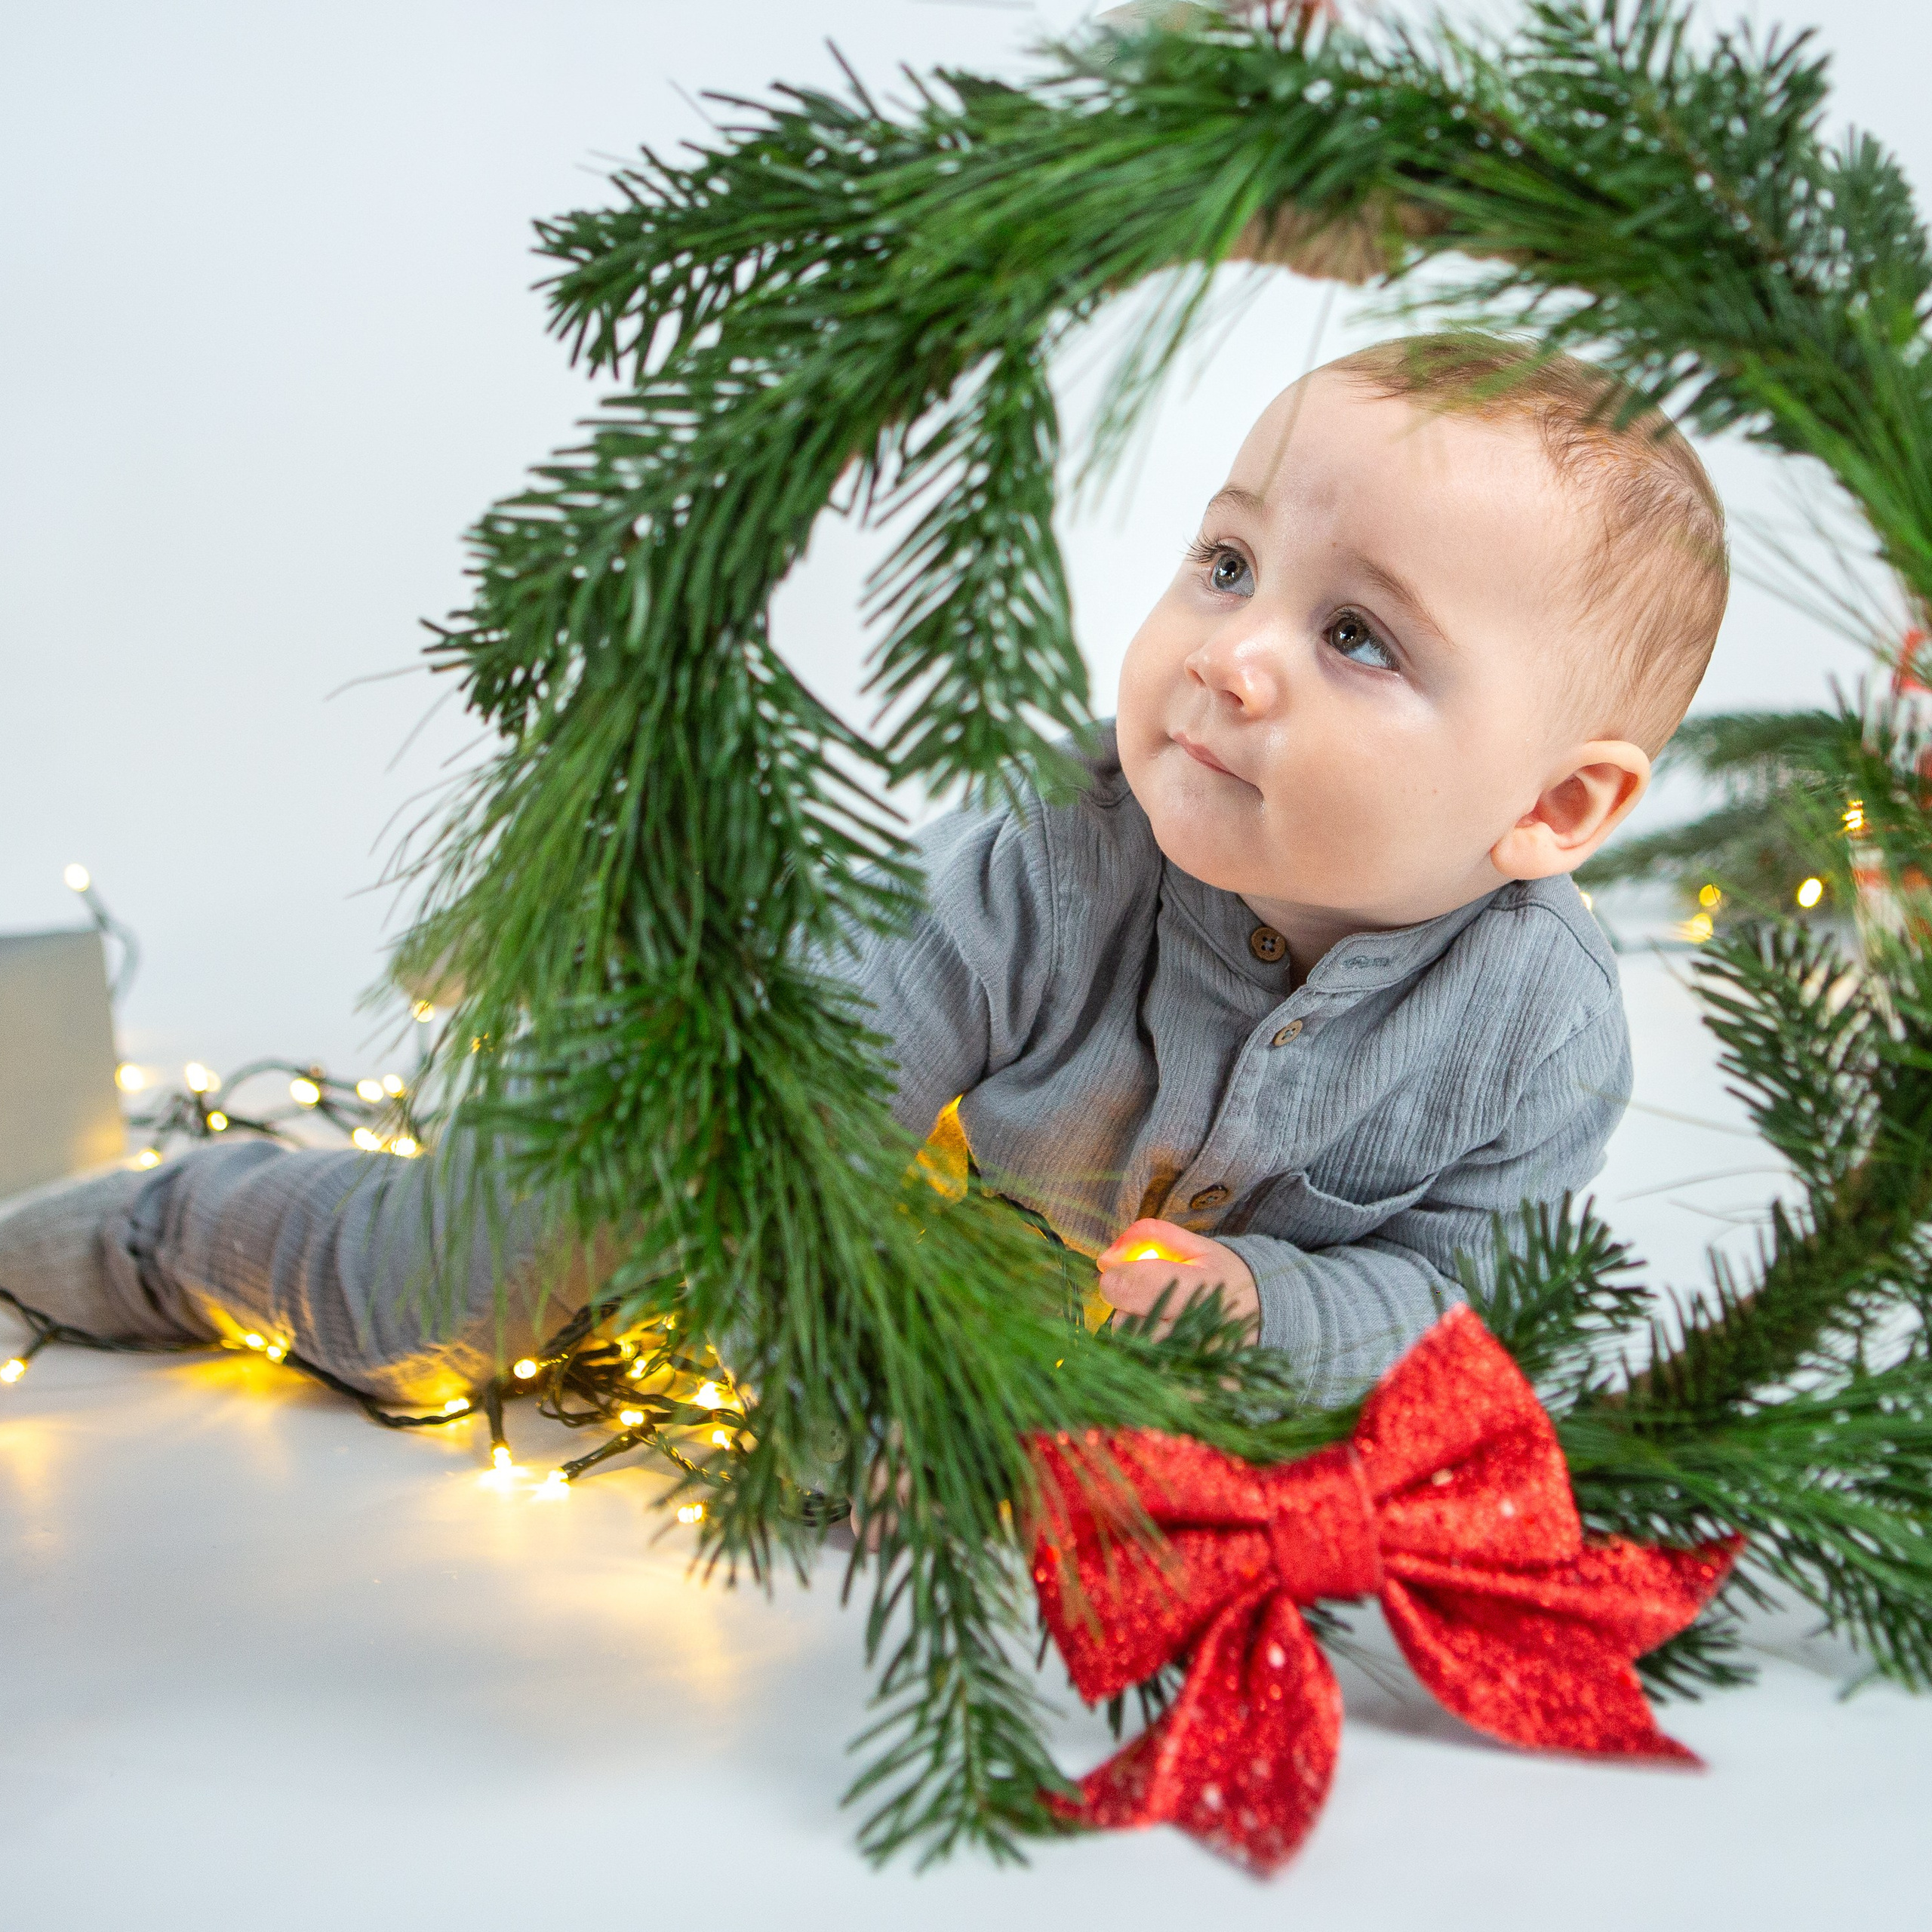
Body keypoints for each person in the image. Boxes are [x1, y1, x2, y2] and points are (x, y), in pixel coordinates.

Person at [0, 332, 1727, 1410]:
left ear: (1555, 812)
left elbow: (1474, 1297)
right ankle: (121, 1235)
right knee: (436, 1294)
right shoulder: (1049, 864)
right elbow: (821, 1095)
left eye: (1353, 634)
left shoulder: (1540, 1026)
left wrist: (1263, 1302)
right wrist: (851, 1332)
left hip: (1046, 1312)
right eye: (1224, 562)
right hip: (728, 1119)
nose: (1231, 654)